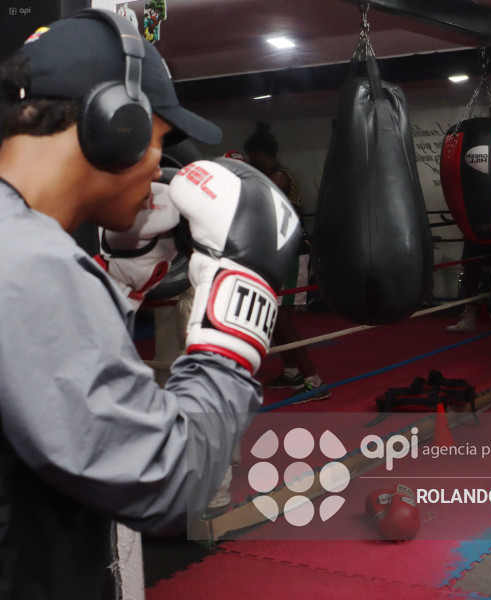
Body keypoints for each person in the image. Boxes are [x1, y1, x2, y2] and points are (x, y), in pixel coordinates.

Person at [0, 9, 300, 597]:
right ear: (119, 125)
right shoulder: (31, 264)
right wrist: (237, 314)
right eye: (159, 141)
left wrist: (113, 285)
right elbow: (167, 480)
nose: (159, 169)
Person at [244, 123, 330, 401]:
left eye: (252, 156)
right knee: (275, 320)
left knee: (284, 320)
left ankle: (314, 379)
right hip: (276, 256)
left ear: (258, 154)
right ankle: (292, 371)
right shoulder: (269, 175)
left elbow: (261, 205)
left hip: (292, 255)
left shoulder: (281, 177)